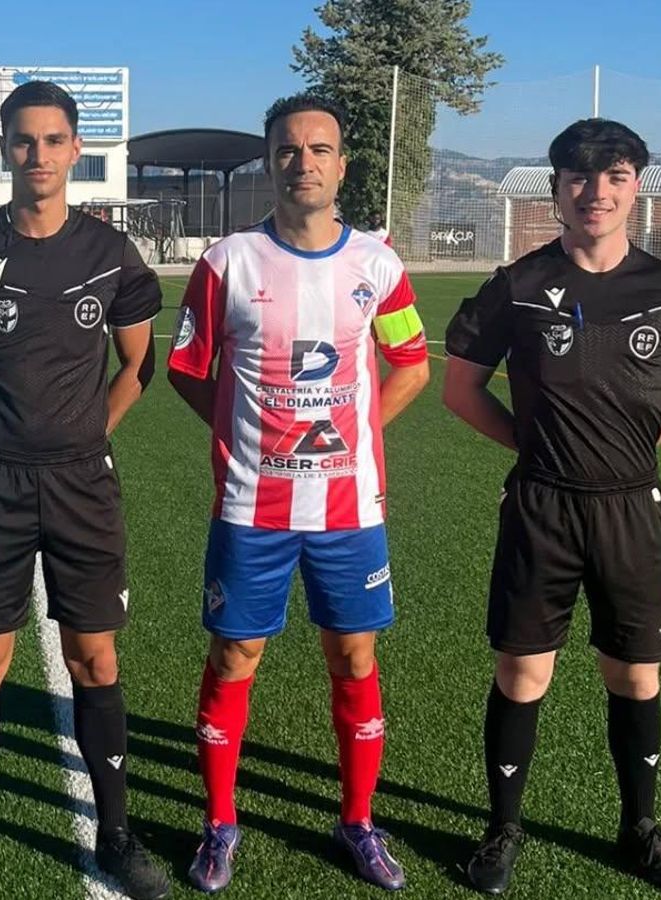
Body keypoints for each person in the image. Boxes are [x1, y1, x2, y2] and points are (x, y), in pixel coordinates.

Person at [442, 118, 661, 895]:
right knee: (522, 672)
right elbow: (461, 391)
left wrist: (633, 452)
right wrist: (534, 452)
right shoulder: (518, 285)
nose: (595, 192)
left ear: (637, 185)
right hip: (541, 507)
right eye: (578, 176)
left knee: (635, 677)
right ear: (556, 185)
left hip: (632, 510)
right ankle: (503, 829)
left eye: (615, 175)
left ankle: (639, 828)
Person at [166, 92, 431, 893]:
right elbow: (188, 369)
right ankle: (220, 824)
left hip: (350, 510)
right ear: (270, 160)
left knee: (352, 653)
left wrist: (360, 435)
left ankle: (357, 820)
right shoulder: (227, 263)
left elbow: (411, 364)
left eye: (320, 149)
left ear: (341, 164)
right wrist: (243, 432)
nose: (304, 162)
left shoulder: (377, 266)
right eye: (289, 149)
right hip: (253, 507)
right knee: (236, 652)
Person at [0, 80, 168, 900]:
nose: (38, 155)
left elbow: (142, 365)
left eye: (53, 140)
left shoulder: (110, 254)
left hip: (81, 484)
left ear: (74, 149)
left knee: (94, 655)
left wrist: (91, 433)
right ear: (5, 148)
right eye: (23, 141)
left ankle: (118, 832)